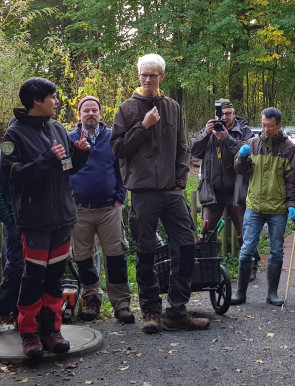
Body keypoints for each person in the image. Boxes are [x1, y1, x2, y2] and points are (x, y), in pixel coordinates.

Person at [110, 53, 209, 334]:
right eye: (144, 74)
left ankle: (177, 310)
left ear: (161, 77)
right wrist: (143, 127)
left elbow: (182, 148)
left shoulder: (173, 107)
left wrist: (179, 182)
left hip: (172, 192)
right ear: (138, 76)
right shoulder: (127, 109)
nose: (148, 79)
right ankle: (151, 312)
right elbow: (117, 149)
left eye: (153, 75)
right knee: (145, 253)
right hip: (142, 193)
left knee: (186, 246)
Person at [1, 77, 90, 359]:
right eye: (52, 97)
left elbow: (66, 168)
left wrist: (79, 155)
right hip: (35, 218)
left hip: (63, 215)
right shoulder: (13, 135)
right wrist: (46, 160)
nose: (57, 102)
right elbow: (13, 174)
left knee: (55, 276)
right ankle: (28, 334)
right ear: (37, 101)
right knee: (33, 276)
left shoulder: (57, 128)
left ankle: (52, 332)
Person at [68, 95, 134, 325]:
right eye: (85, 110)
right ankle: (92, 300)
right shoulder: (70, 139)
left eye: (94, 110)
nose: (90, 114)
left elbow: (121, 169)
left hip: (109, 209)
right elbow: (63, 171)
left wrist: (120, 197)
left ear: (100, 113)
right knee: (83, 258)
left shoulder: (111, 138)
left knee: (116, 256)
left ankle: (121, 304)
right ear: (79, 114)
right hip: (79, 210)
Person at [231, 107, 295, 306]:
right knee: (246, 250)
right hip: (254, 205)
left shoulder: (289, 149)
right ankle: (240, 293)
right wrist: (241, 157)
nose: (266, 129)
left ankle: (272, 294)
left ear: (279, 125)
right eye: (263, 125)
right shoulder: (252, 144)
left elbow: (294, 180)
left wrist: (292, 203)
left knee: (277, 251)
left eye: (270, 126)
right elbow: (240, 171)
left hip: (278, 209)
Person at [189, 98, 260, 279]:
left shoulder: (243, 130)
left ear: (234, 114)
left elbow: (248, 153)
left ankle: (250, 267)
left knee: (245, 231)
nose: (224, 117)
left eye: (228, 114)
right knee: (208, 233)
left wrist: (227, 139)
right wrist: (206, 133)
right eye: (221, 114)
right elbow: (194, 150)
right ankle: (208, 269)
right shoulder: (210, 129)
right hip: (213, 191)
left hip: (237, 189)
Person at [0, 143, 24, 334]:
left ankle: (20, 312)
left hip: (37, 223)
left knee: (33, 270)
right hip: (14, 223)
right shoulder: (1, 162)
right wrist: (10, 222)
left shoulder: (34, 157)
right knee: (15, 267)